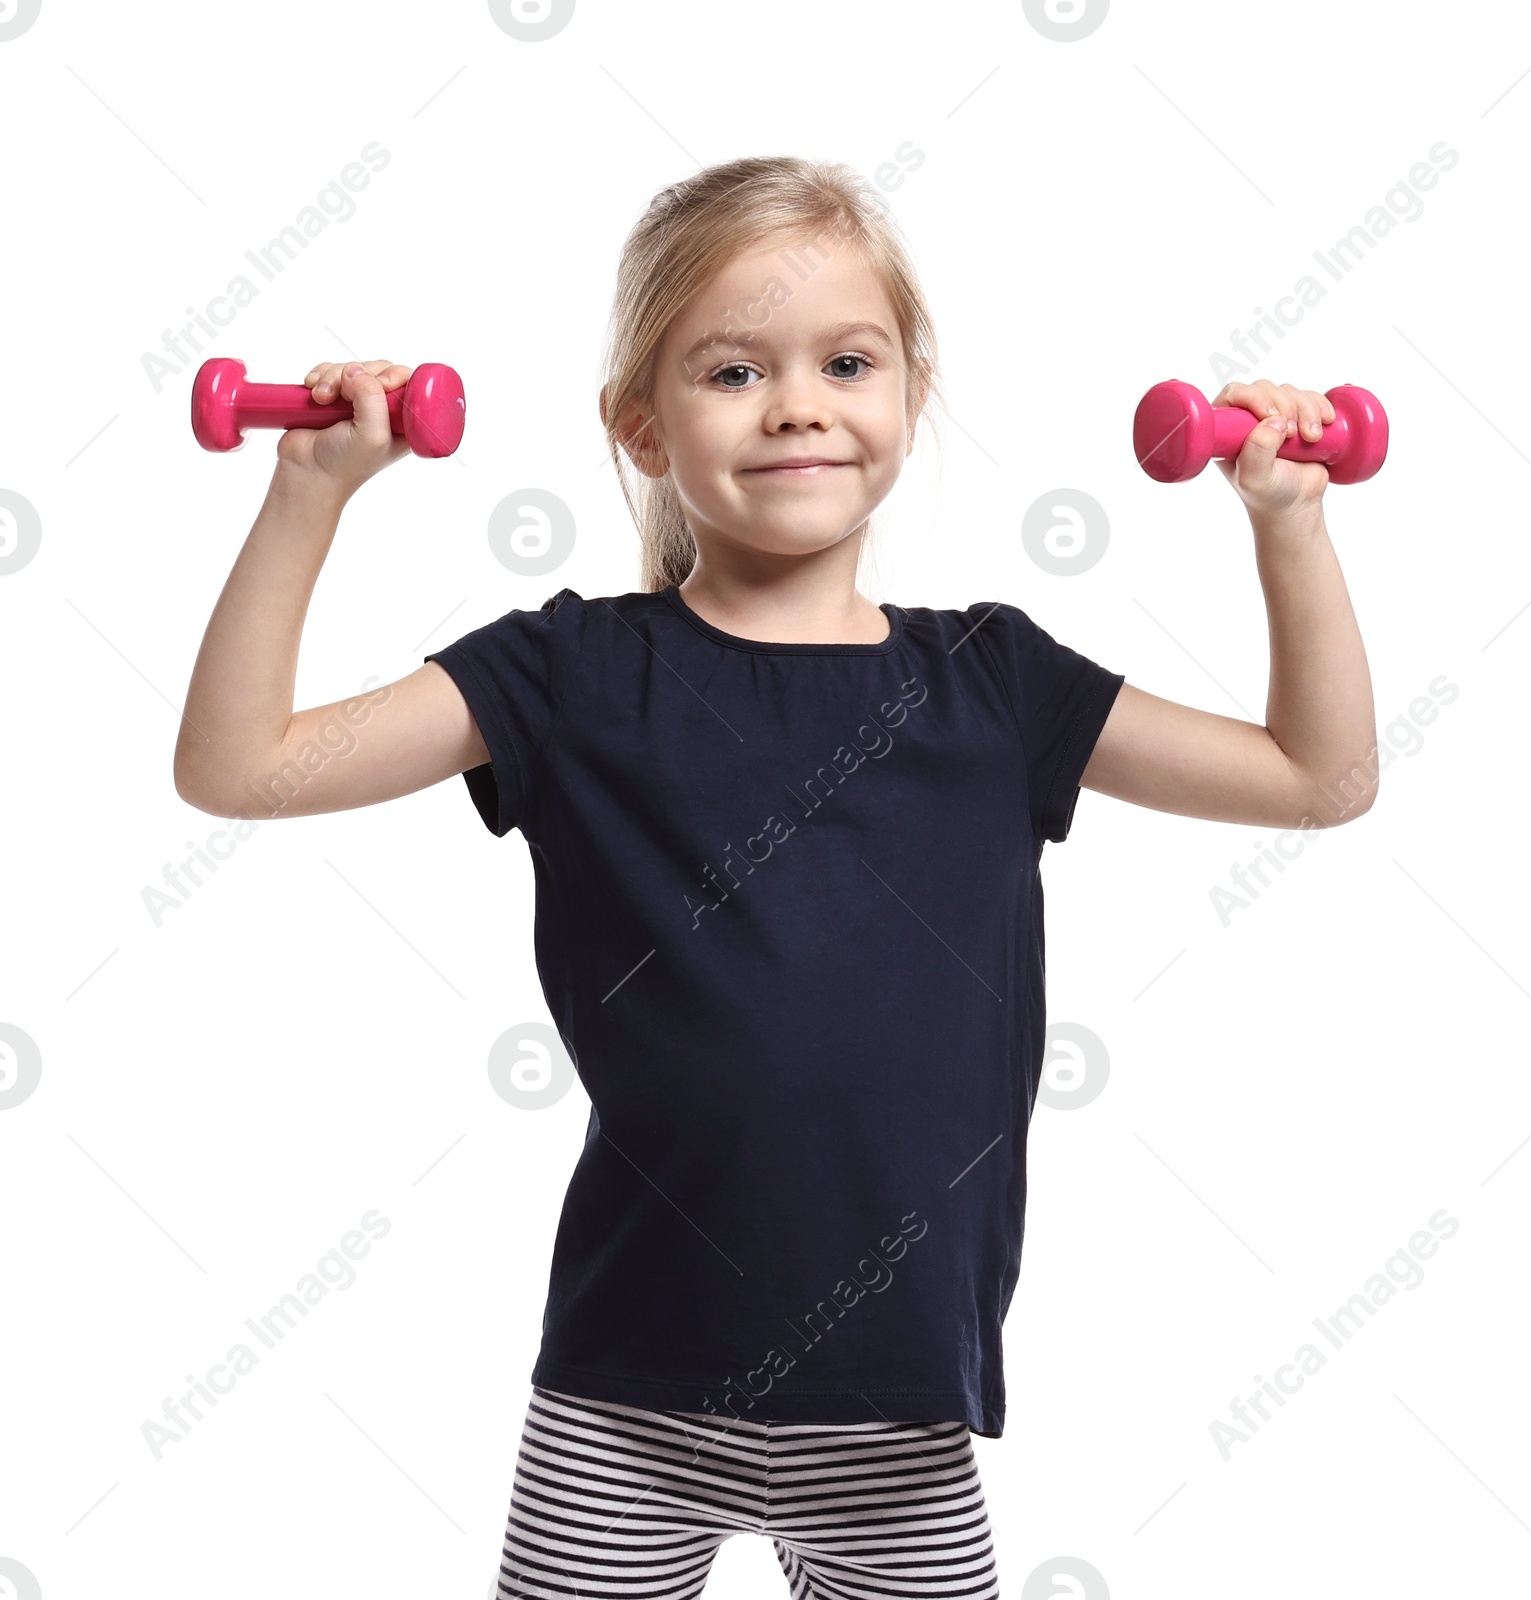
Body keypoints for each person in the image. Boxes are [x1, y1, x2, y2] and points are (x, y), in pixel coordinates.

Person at [174, 155, 1378, 1600]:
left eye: (846, 361)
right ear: (640, 425)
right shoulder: (569, 674)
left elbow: (1322, 780)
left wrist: (1289, 527)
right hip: (626, 1400)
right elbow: (239, 767)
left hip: (898, 1408)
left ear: (908, 400)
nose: (800, 402)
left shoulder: (995, 687)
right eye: (735, 369)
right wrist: (309, 495)